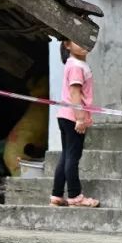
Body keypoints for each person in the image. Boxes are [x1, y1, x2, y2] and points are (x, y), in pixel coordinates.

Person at [50, 40, 99, 208]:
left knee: (66, 155)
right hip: (73, 117)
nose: (84, 43)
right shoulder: (77, 66)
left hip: (64, 116)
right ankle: (75, 196)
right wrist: (80, 118)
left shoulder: (73, 64)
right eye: (77, 41)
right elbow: (75, 93)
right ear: (67, 45)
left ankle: (57, 195)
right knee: (73, 157)